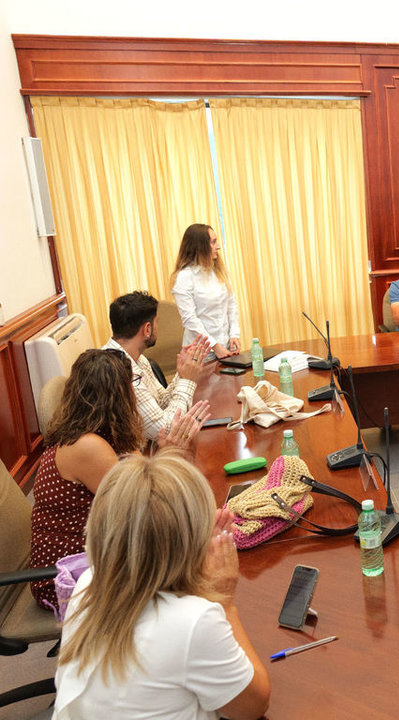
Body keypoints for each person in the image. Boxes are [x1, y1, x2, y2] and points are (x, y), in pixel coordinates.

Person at [53, 452, 270, 719]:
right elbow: (252, 707)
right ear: (189, 541)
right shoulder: (193, 622)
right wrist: (225, 602)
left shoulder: (88, 582)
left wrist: (192, 562)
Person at [29, 349, 208, 612]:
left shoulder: (105, 432)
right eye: (132, 384)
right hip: (70, 575)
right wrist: (172, 455)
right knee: (186, 557)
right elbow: (142, 507)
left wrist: (164, 455)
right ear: (118, 395)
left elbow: (141, 482)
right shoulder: (86, 446)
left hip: (103, 550)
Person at [105, 290, 212, 439]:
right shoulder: (120, 370)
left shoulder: (138, 359)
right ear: (147, 329)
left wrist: (182, 373)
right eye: (157, 322)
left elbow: (161, 403)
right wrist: (188, 380)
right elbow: (165, 430)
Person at [171, 223, 241, 359]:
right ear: (200, 246)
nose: (218, 246)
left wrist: (234, 334)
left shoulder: (218, 272)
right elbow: (190, 319)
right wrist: (215, 346)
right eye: (213, 242)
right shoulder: (184, 278)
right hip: (200, 354)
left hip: (225, 347)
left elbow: (231, 305)